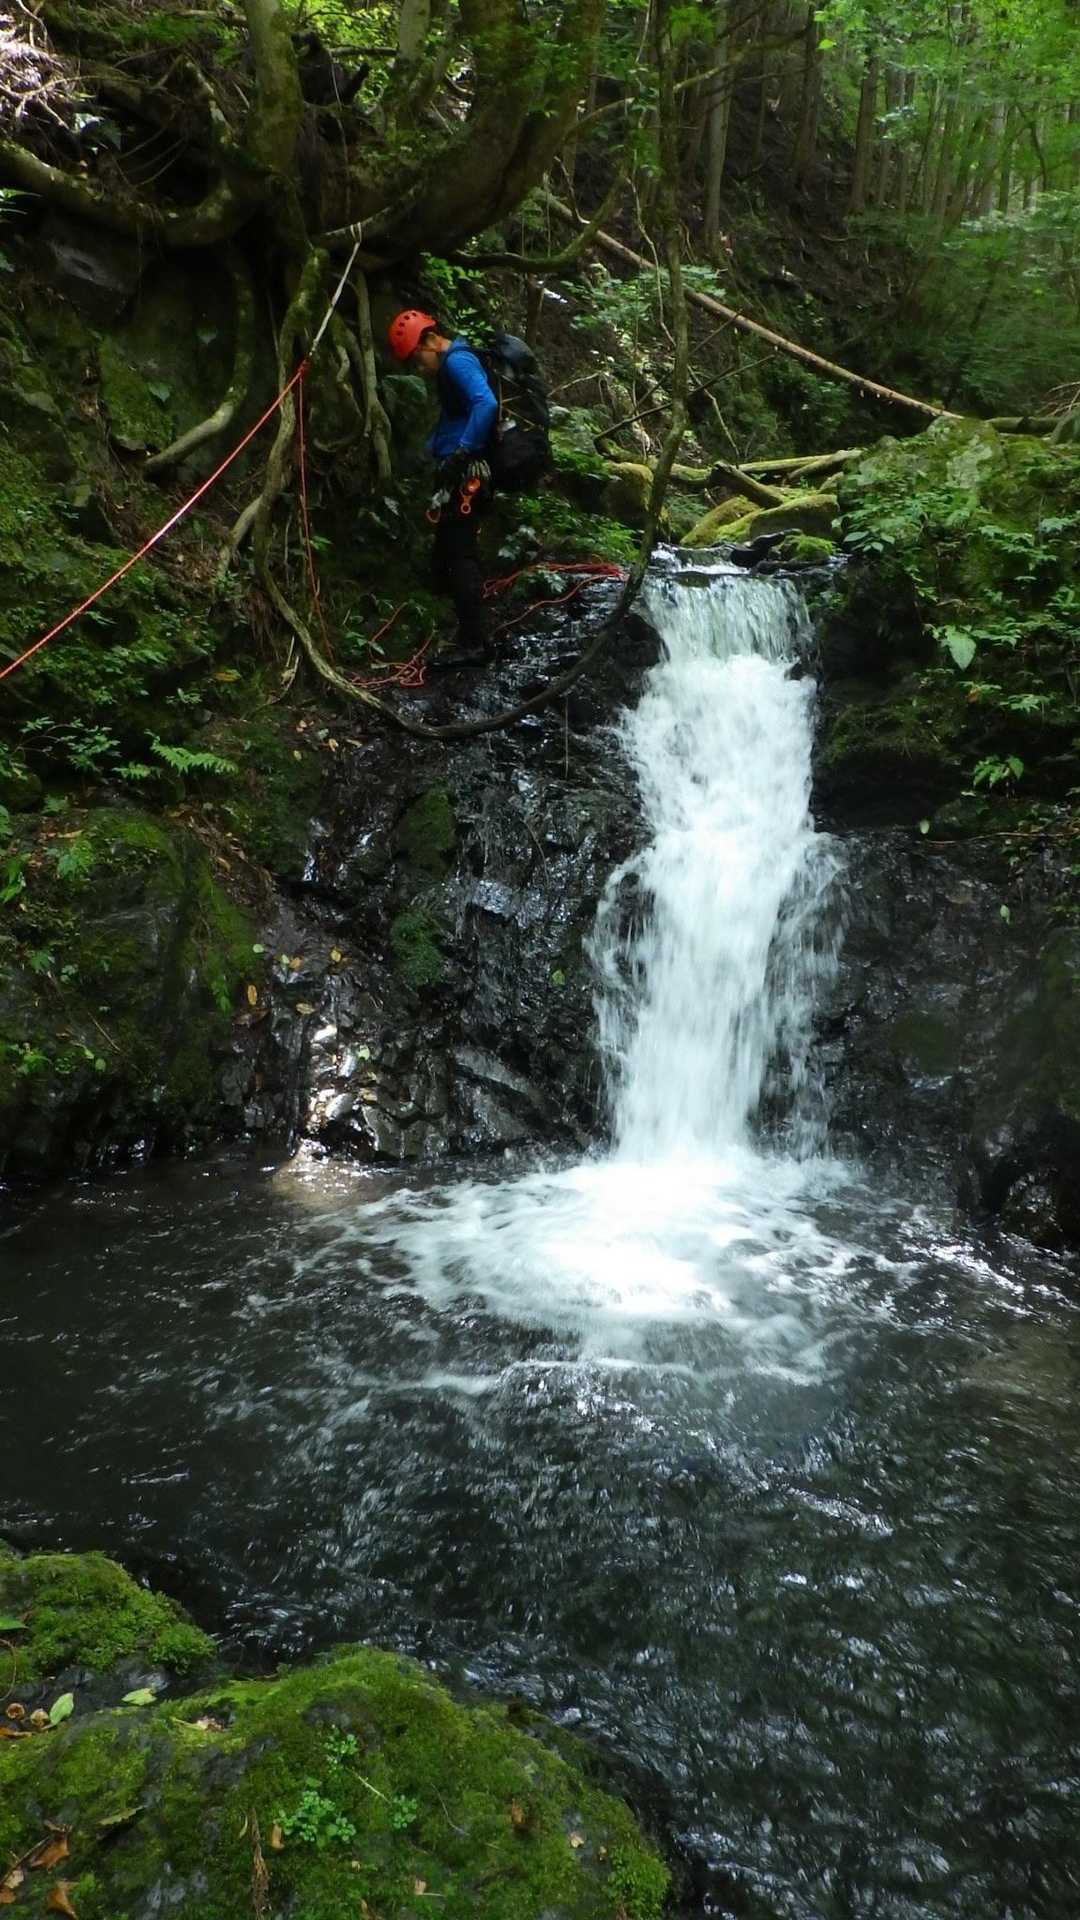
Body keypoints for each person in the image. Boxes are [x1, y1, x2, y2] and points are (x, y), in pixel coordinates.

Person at [387, 309, 498, 660]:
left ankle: (473, 644)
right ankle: (472, 634)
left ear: (429, 342)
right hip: (456, 471)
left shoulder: (457, 363)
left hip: (467, 474)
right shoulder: (451, 365)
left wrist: (462, 452)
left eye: (416, 360)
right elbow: (453, 419)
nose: (419, 370)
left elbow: (486, 404)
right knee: (450, 552)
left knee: (459, 553)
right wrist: (429, 452)